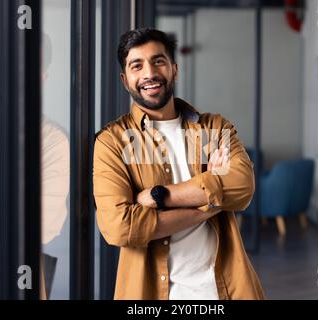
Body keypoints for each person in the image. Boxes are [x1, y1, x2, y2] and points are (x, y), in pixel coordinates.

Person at [93, 28, 265, 300]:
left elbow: (242, 187)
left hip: (226, 291)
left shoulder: (213, 128)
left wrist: (156, 197)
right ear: (125, 81)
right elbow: (118, 227)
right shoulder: (112, 142)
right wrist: (209, 205)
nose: (149, 73)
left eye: (158, 61)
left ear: (174, 69)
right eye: (137, 65)